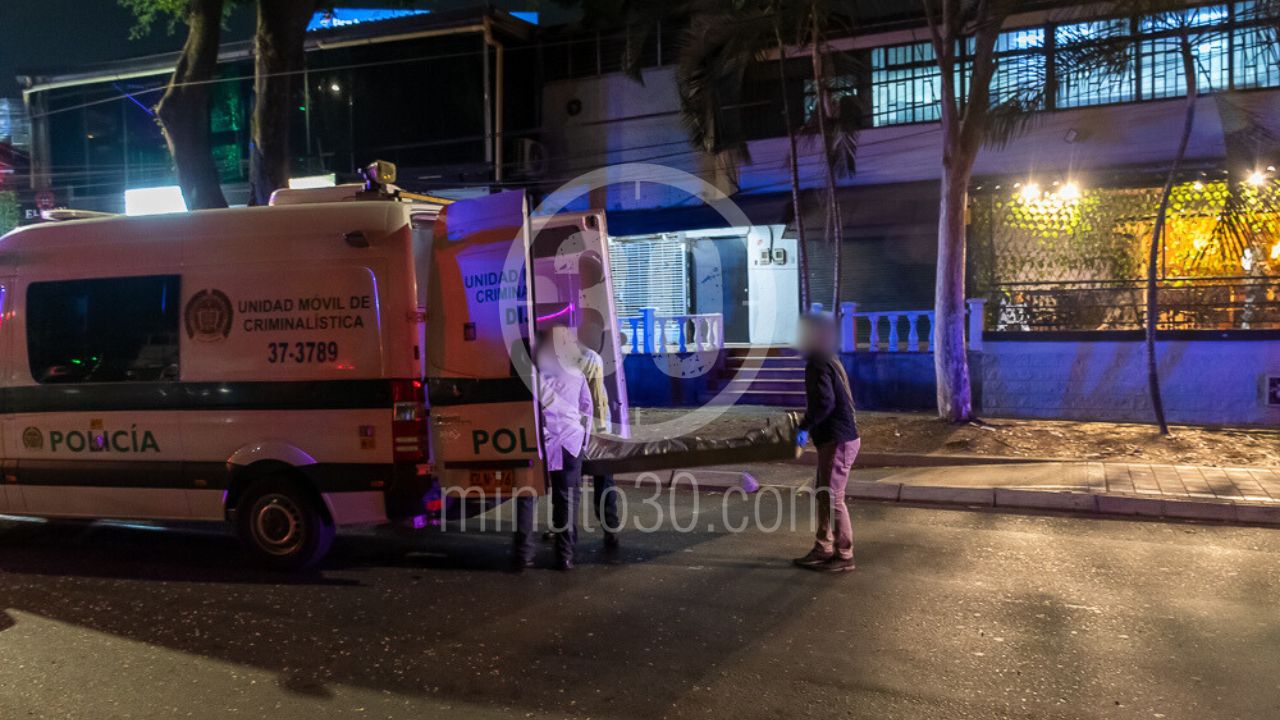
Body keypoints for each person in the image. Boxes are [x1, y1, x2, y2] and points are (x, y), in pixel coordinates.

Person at [512, 328, 594, 572]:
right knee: (567, 499)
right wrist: (584, 441)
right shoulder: (576, 372)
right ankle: (565, 556)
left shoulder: (532, 374)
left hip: (539, 442)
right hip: (570, 441)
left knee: (527, 496)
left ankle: (524, 555)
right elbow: (587, 408)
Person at [792, 312, 860, 573]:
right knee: (824, 494)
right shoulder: (827, 359)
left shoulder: (819, 363)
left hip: (838, 439)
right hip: (836, 438)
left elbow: (824, 402)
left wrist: (805, 425)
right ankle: (824, 548)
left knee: (831, 497)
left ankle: (844, 554)